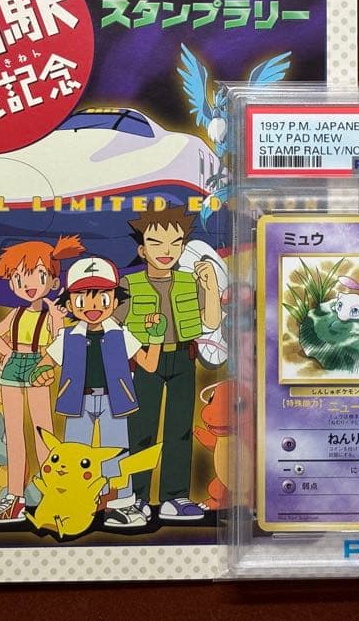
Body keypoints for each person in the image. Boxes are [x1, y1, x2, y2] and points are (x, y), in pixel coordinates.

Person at [31, 256, 164, 528]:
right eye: (82, 300)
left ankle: (121, 504)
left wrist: (156, 337)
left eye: (102, 299)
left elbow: (149, 365)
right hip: (77, 402)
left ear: (114, 302)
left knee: (116, 453)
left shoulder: (121, 334)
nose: (92, 307)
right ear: (70, 304)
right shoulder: (68, 337)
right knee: (74, 455)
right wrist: (40, 374)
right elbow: (45, 363)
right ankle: (75, 503)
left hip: (114, 401)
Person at [118, 207, 221, 521]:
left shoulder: (190, 281)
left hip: (183, 358)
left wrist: (211, 287)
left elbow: (211, 321)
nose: (166, 251)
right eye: (156, 243)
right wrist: (136, 354)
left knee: (180, 429)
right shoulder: (129, 284)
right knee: (141, 429)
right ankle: (135, 497)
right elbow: (114, 326)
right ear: (142, 249)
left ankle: (174, 498)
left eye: (175, 243)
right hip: (145, 360)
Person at [0, 235, 82, 524]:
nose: (27, 283)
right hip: (14, 367)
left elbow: (61, 343)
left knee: (43, 433)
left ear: (53, 281)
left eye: (37, 275)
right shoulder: (15, 313)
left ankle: (54, 493)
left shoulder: (52, 314)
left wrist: (57, 320)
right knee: (14, 434)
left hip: (40, 365)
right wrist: (7, 354)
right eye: (18, 277)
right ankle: (15, 498)